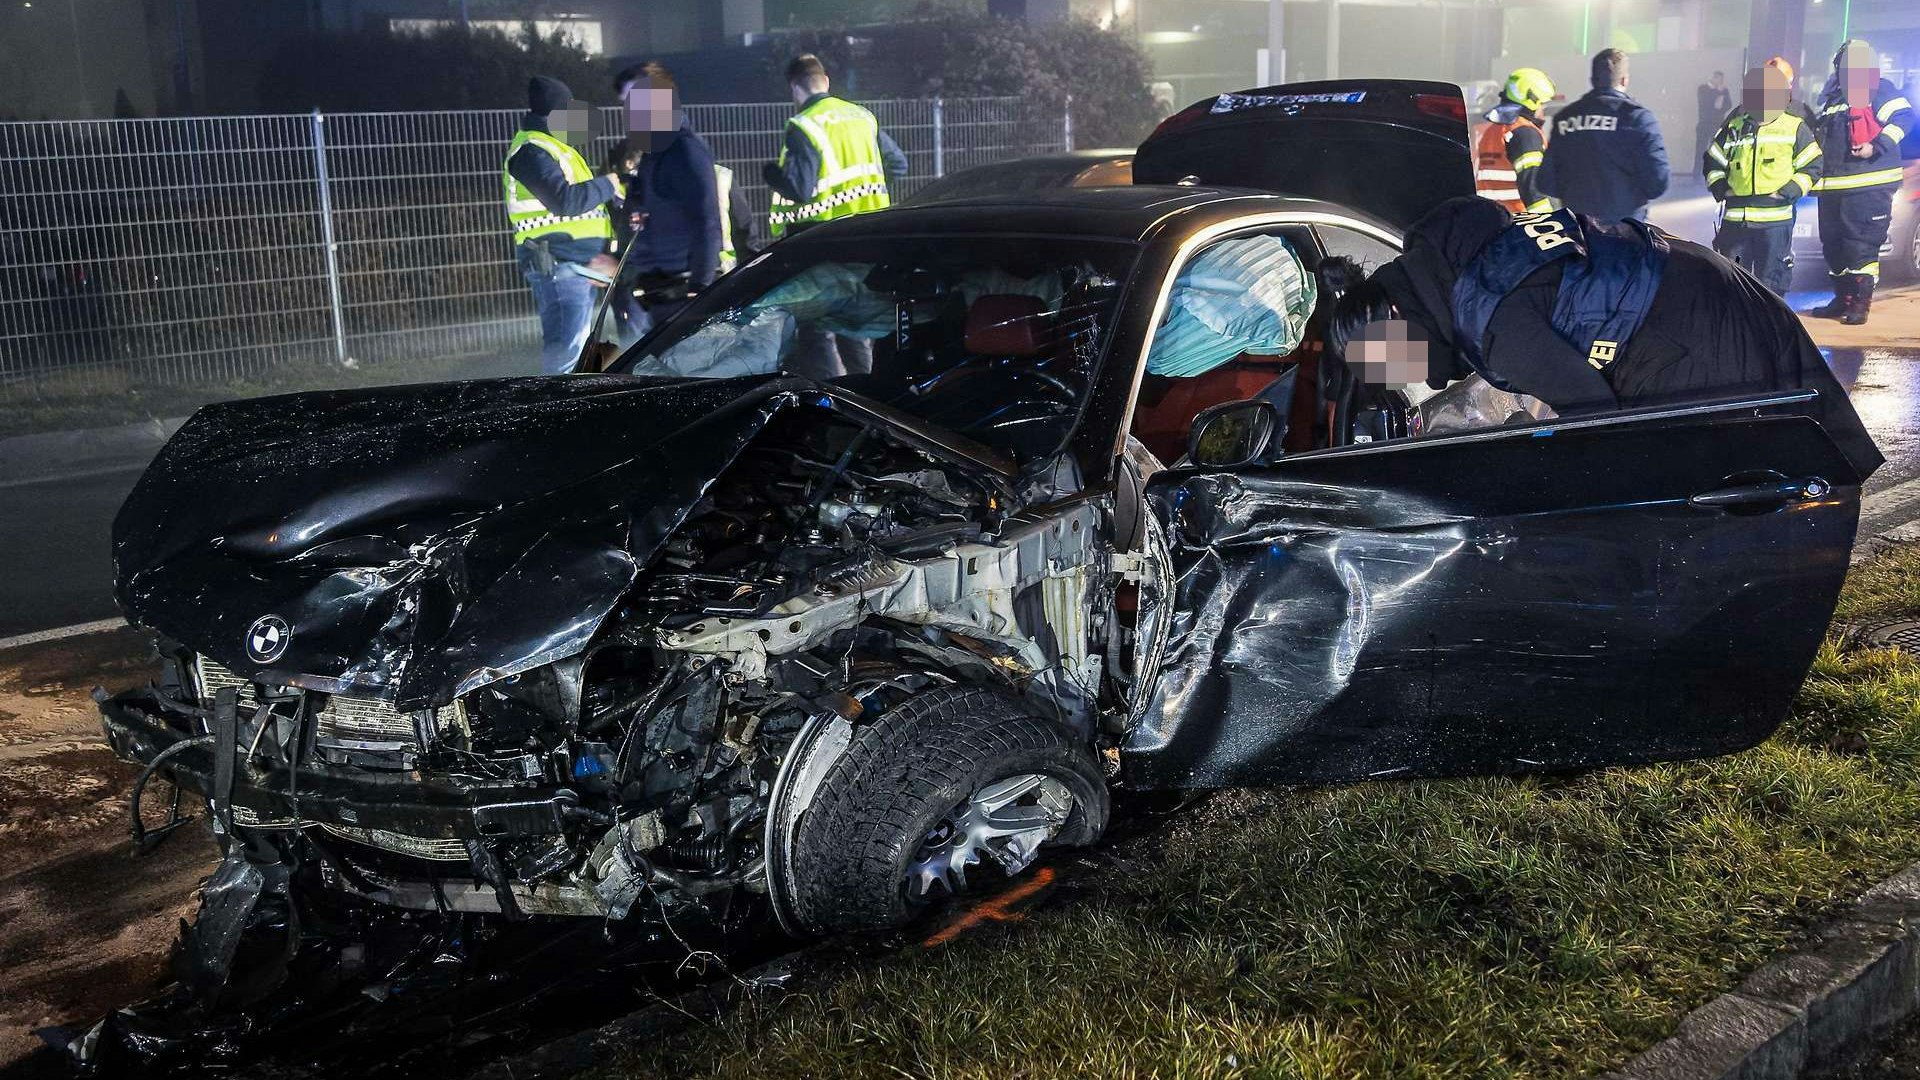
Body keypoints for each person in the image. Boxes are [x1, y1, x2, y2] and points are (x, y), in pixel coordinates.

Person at [1316, 195, 1880, 477]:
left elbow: (1599, 420)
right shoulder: (1457, 267)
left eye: (1398, 365)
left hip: (1687, 324)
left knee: (1723, 472)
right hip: (1686, 271)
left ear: (1396, 327)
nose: (1413, 376)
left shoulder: (1497, 329)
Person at [503, 76, 623, 374]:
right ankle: (557, 411)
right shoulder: (532, 151)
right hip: (558, 267)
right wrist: (608, 185)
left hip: (577, 267)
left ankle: (570, 406)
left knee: (578, 351)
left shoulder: (555, 148)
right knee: (566, 356)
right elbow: (566, 202)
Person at [609, 62, 724, 341]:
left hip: (681, 295)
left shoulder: (683, 151)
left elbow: (706, 221)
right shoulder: (656, 152)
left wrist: (699, 290)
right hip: (659, 294)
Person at [1808, 40, 1915, 326]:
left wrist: (1876, 145)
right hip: (1833, 188)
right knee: (1833, 246)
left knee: (1861, 247)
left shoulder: (1879, 90)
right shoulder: (1832, 98)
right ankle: (1841, 298)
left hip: (1868, 186)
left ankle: (1860, 303)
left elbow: (1904, 119)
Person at [762, 54, 909, 240]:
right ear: (826, 81)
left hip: (824, 235)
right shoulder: (862, 116)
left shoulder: (804, 124)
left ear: (794, 87)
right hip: (873, 227)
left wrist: (771, 174)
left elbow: (798, 189)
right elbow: (898, 164)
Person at [1705, 64, 1822, 295]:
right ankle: (1737, 329)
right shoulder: (1735, 127)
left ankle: (1769, 329)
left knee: (1771, 285)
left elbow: (1813, 166)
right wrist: (1721, 188)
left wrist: (1787, 192)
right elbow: (1713, 161)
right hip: (1736, 222)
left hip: (1774, 222)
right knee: (1733, 283)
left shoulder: (1794, 127)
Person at [1535, 49, 1671, 222]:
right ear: (1624, 80)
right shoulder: (1637, 118)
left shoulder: (1565, 117)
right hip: (1624, 233)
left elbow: (1546, 182)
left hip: (1576, 231)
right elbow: (1658, 183)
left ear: (1592, 80)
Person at [1475, 67, 1556, 213]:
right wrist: (1550, 225)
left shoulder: (1494, 131)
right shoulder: (1525, 134)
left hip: (1489, 218)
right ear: (1532, 100)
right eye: (1542, 104)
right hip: (1519, 221)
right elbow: (1531, 187)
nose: (1542, 111)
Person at [1695, 70, 1733, 178]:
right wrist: (1718, 93)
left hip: (1716, 124)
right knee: (1700, 150)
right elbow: (1705, 102)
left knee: (1715, 151)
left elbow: (1728, 104)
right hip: (1704, 124)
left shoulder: (1723, 91)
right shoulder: (1703, 89)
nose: (1720, 82)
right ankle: (1697, 175)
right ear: (1713, 78)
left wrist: (1721, 103)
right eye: (1719, 79)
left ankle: (1712, 175)